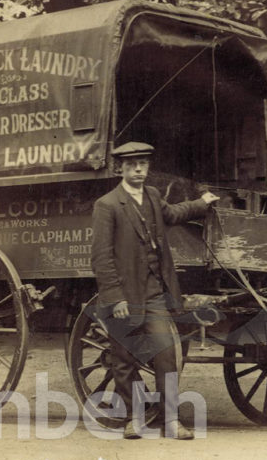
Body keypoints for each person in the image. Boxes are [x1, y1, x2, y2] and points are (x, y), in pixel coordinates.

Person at [90, 141, 219, 440]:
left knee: (166, 355)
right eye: (132, 164)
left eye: (143, 164)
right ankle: (132, 419)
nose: (138, 169)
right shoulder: (107, 205)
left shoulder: (152, 195)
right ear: (120, 168)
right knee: (123, 360)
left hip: (154, 292)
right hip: (124, 296)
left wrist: (202, 203)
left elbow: (172, 214)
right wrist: (115, 297)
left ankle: (170, 421)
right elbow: (101, 257)